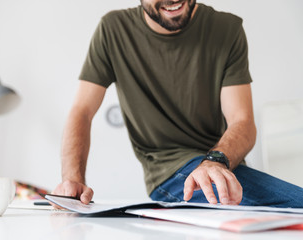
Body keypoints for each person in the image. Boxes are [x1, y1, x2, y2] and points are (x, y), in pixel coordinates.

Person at [53, 0, 303, 207]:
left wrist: (215, 161)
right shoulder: (113, 30)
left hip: (222, 163)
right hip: (170, 173)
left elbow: (243, 122)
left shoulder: (227, 29)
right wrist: (72, 179)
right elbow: (82, 111)